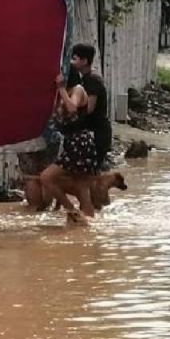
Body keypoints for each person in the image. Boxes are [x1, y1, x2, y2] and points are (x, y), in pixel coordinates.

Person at [40, 68, 98, 219]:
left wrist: (61, 89)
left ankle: (72, 211)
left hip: (80, 143)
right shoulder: (65, 94)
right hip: (75, 143)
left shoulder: (77, 90)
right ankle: (85, 225)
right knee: (81, 189)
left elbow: (72, 108)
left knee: (46, 177)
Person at [70, 43, 112, 207]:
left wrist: (70, 111)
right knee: (92, 174)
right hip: (96, 132)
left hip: (97, 133)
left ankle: (97, 207)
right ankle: (98, 207)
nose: (71, 62)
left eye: (74, 59)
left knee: (92, 175)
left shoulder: (91, 81)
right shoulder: (88, 79)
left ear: (84, 61)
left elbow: (89, 108)